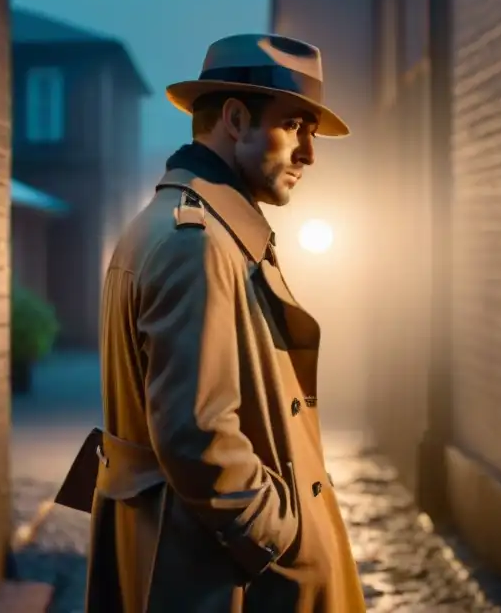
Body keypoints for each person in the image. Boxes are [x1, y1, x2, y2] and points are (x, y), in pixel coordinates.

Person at [75, 34, 365, 612]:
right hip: (215, 578)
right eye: (296, 126)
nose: (309, 153)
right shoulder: (197, 243)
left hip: (191, 557)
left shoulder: (177, 224)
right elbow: (196, 434)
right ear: (236, 119)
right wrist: (282, 538)